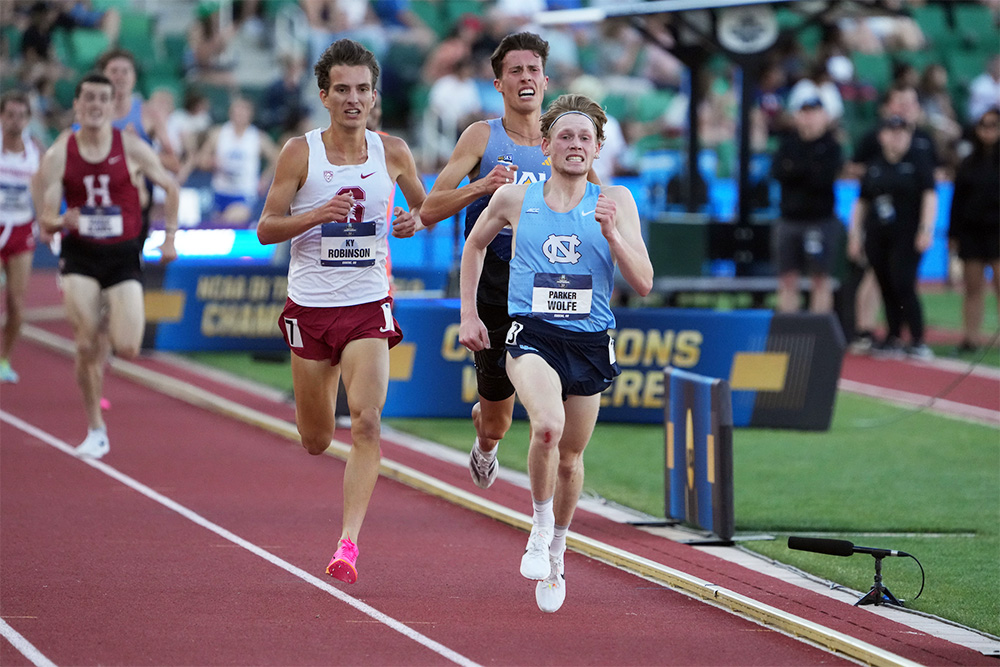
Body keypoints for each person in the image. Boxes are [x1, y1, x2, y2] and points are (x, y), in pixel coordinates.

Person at [459, 94, 652, 613]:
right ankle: (539, 531)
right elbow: (474, 245)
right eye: (564, 137)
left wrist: (612, 234)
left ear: (597, 150)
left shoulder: (617, 202)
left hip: (589, 341)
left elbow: (645, 282)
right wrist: (470, 315)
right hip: (532, 334)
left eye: (584, 139)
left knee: (570, 458)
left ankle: (560, 549)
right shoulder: (518, 200)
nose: (574, 145)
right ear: (545, 147)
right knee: (546, 425)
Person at [256, 38, 427, 584]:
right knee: (315, 439)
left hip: (367, 305)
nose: (353, 99)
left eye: (362, 90)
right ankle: (316, 414)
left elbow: (424, 208)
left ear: (374, 96)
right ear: (325, 96)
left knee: (369, 422)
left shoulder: (393, 152)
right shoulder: (299, 153)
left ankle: (348, 543)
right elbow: (265, 229)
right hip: (310, 308)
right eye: (343, 90)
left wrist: (414, 221)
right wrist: (316, 215)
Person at [422, 31, 598, 491]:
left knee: (552, 415)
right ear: (498, 83)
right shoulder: (482, 136)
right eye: (515, 71)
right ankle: (487, 441)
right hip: (494, 285)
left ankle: (549, 521)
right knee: (498, 420)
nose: (525, 78)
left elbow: (595, 203)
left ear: (545, 79)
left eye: (533, 70)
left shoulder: (563, 137)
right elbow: (431, 208)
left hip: (549, 287)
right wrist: (483, 187)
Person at [33, 73, 179, 458]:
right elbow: (46, 218)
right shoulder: (60, 152)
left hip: (122, 255)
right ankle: (96, 427)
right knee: (84, 343)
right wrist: (62, 220)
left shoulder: (130, 147)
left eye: (103, 98)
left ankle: (104, 331)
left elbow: (170, 185)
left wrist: (170, 237)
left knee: (128, 346)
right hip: (80, 255)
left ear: (114, 106)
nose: (96, 105)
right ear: (78, 106)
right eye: (89, 99)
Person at [847, 115, 937, 360]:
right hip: (878, 234)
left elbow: (930, 196)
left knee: (903, 282)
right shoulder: (875, 165)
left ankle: (917, 337)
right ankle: (893, 335)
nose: (898, 137)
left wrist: (926, 228)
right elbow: (862, 201)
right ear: (882, 136)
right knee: (884, 283)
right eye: (892, 131)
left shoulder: (918, 162)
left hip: (906, 233)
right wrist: (855, 234)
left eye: (903, 132)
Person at [771, 95, 843, 314]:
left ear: (824, 116)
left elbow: (823, 179)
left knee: (820, 279)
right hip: (789, 220)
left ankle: (819, 334)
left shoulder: (831, 146)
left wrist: (796, 170)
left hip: (819, 221)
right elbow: (778, 172)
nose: (808, 118)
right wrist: (806, 170)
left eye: (813, 113)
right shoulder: (788, 143)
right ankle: (787, 331)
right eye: (804, 113)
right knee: (787, 278)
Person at [948, 107, 999, 354]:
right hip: (972, 231)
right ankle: (970, 338)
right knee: (972, 287)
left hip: (998, 230)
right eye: (984, 126)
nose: (988, 131)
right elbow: (957, 200)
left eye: (993, 125)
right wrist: (953, 233)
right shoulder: (968, 163)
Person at [0, 91, 44, 384]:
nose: (15, 122)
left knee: (17, 304)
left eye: (21, 116)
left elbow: (41, 192)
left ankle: (4, 361)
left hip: (21, 230)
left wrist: (44, 225)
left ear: (28, 120)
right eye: (10, 115)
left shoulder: (35, 153)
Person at [196, 96, 279, 225]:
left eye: (243, 111)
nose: (239, 115)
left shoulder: (257, 137)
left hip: (244, 192)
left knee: (230, 220)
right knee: (219, 228)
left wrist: (265, 178)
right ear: (230, 112)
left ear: (250, 114)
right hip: (220, 190)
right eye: (237, 111)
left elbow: (277, 158)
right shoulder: (218, 133)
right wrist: (211, 162)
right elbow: (201, 159)